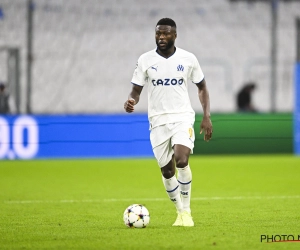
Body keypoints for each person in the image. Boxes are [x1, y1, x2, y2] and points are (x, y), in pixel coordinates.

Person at [124, 18, 213, 227]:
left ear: (175, 35)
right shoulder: (145, 60)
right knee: (167, 171)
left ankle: (188, 211)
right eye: (158, 34)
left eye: (165, 34)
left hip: (182, 117)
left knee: (181, 160)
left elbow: (202, 87)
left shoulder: (188, 58)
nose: (161, 37)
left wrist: (206, 115)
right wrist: (131, 101)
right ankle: (180, 212)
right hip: (157, 121)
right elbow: (136, 91)